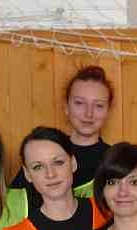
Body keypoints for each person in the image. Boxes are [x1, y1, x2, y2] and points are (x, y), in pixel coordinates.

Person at [11, 65, 114, 201]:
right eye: (79, 103)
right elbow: (13, 203)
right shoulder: (43, 150)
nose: (89, 113)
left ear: (108, 111)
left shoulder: (114, 159)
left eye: (99, 105)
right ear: (66, 107)